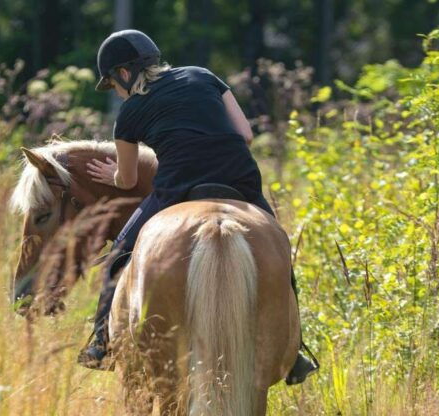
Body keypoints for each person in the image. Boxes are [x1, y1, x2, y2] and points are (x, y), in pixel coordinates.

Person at [78, 29, 318, 385]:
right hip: (240, 179)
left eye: (113, 84)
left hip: (177, 188)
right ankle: (295, 349)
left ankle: (101, 342)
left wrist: (112, 174)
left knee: (118, 255)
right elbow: (246, 136)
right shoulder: (203, 75)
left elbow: (127, 181)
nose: (116, 91)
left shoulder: (128, 113)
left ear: (124, 73)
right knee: (278, 249)